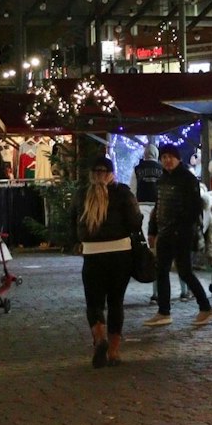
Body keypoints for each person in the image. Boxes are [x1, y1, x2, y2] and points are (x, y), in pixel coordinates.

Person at [77, 157, 140, 368]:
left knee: (94, 302)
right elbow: (134, 221)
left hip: (93, 254)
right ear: (111, 173)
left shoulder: (82, 194)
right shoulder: (122, 192)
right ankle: (113, 352)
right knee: (115, 303)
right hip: (120, 253)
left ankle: (99, 336)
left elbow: (72, 224)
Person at [146, 145, 212, 328]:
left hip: (181, 234)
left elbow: (193, 209)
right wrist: (153, 230)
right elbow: (157, 207)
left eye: (170, 156)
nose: (167, 160)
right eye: (164, 157)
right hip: (165, 232)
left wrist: (181, 229)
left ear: (178, 158)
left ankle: (205, 307)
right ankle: (164, 311)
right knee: (161, 271)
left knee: (185, 272)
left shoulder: (188, 179)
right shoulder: (161, 180)